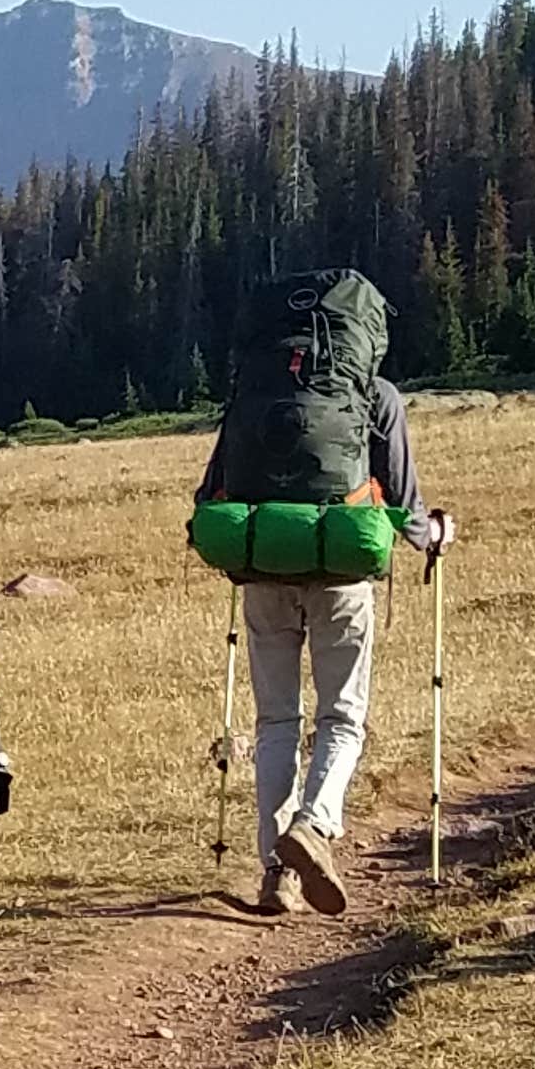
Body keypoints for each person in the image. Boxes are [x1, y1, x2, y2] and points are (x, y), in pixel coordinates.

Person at [197, 375, 454, 916]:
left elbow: (210, 492)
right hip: (341, 574)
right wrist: (435, 535)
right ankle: (313, 825)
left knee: (275, 723)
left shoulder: (252, 389)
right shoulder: (373, 393)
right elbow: (406, 507)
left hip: (263, 566)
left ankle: (277, 876)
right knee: (341, 718)